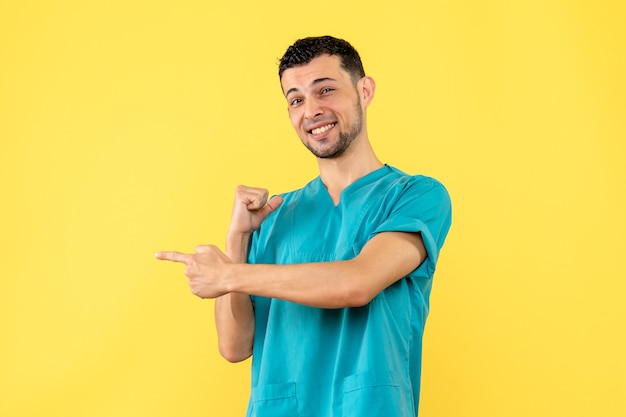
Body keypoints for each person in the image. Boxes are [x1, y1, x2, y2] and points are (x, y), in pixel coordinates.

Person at [156, 35, 452, 417]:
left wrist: (230, 275)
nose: (311, 110)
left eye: (325, 90)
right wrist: (238, 239)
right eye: (295, 99)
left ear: (365, 90)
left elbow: (356, 282)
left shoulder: (415, 196)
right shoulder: (275, 215)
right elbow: (234, 346)